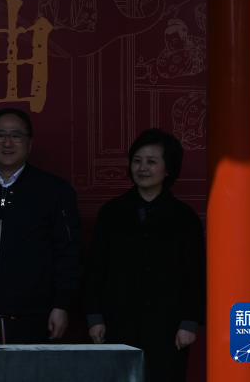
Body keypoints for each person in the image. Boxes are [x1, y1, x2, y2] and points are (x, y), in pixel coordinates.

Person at [85, 129, 205, 382]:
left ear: (168, 168)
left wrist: (189, 322)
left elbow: (195, 273)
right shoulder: (112, 213)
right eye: (137, 161)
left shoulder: (184, 218)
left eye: (151, 162)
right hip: (118, 321)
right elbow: (95, 268)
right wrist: (94, 317)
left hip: (168, 326)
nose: (142, 168)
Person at [0, 107, 81, 343]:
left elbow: (68, 253)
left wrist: (62, 304)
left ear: (30, 143)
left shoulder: (55, 191)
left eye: (16, 135)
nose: (7, 142)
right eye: (0, 135)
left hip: (36, 316)